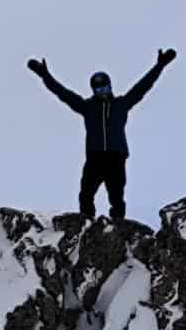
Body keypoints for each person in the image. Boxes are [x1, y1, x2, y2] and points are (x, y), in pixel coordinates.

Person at [26, 48, 177, 221]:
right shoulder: (87, 106)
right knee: (85, 194)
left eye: (104, 87)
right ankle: (86, 226)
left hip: (116, 156)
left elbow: (143, 86)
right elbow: (62, 93)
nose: (101, 91)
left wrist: (160, 65)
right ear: (93, 90)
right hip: (95, 157)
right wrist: (45, 75)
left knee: (116, 197)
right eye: (97, 88)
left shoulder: (122, 104)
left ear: (110, 86)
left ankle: (119, 229)